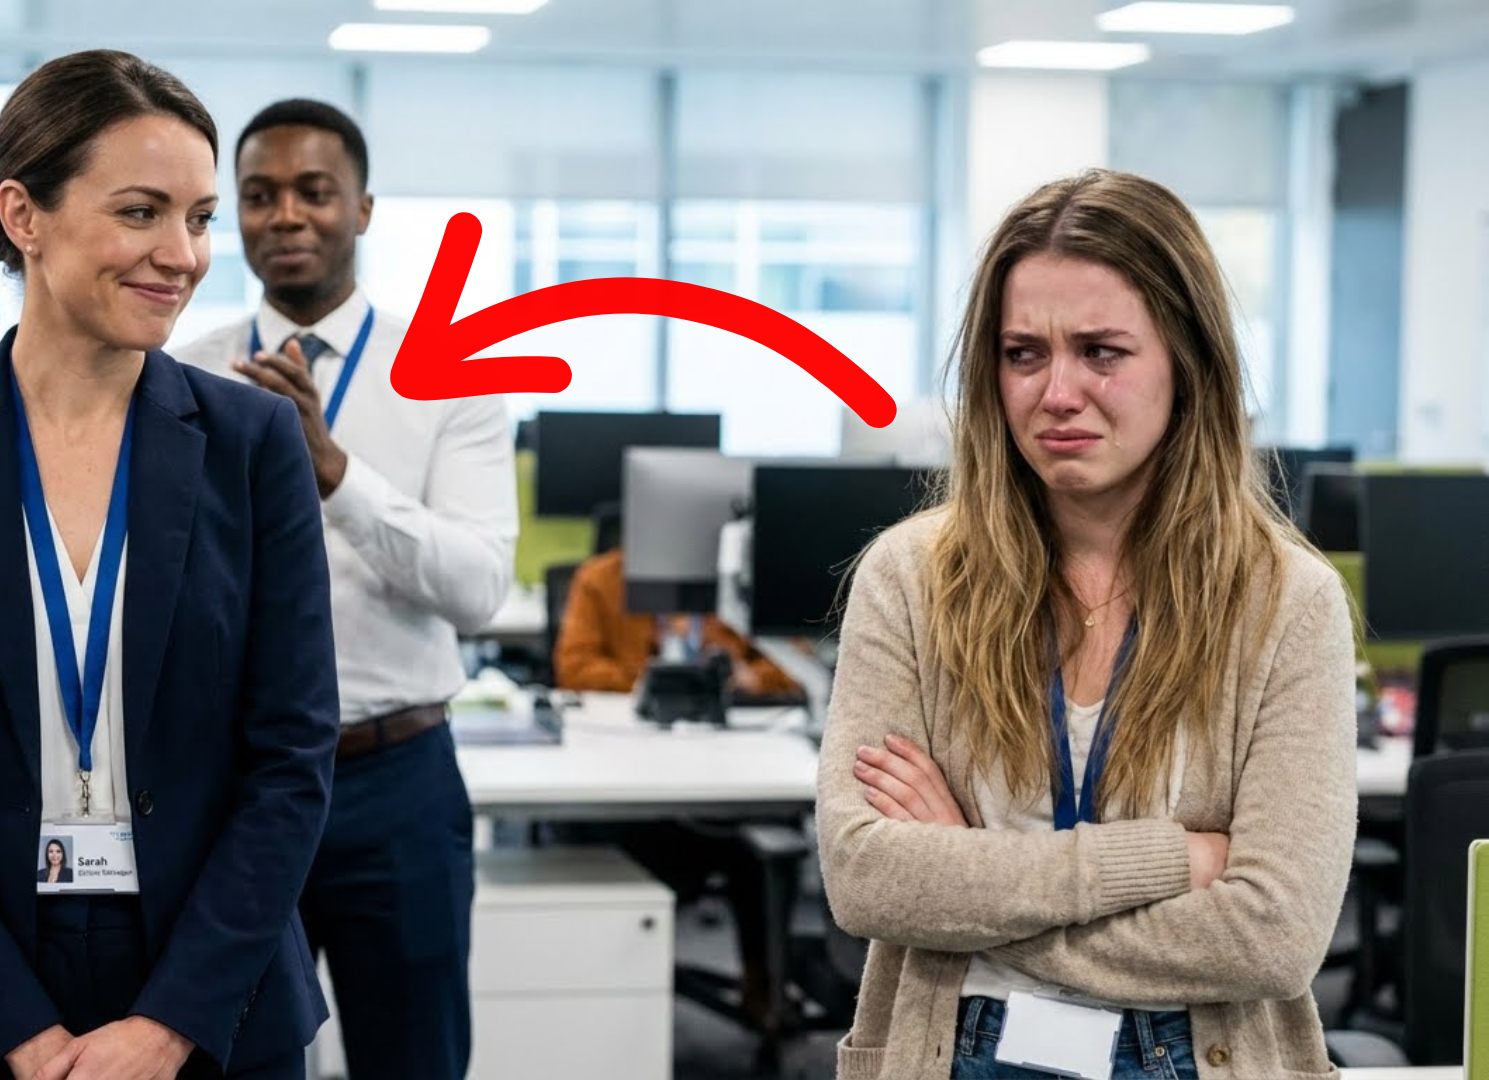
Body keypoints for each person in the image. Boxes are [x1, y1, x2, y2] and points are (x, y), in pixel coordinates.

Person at [0, 50, 338, 1080]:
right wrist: (14, 1030)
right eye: (141, 212)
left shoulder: (253, 445)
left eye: (199, 219)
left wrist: (167, 1027)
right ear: (23, 214)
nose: (183, 255)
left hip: (208, 988)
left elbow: (291, 759)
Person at [816, 170, 1356, 1079]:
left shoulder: (1284, 602)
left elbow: (1272, 936)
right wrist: (1164, 861)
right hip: (952, 1049)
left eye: (1102, 352)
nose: (1057, 392)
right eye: (1023, 353)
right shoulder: (911, 579)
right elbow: (868, 878)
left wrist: (967, 878)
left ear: (1188, 362)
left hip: (1194, 1054)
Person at [176, 98, 517, 1080]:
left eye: (314, 191)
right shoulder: (181, 374)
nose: (285, 215)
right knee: (229, 1057)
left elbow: (480, 587)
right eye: (258, 196)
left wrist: (334, 471)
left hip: (392, 779)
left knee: (413, 1058)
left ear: (362, 208)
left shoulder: (450, 374)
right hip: (233, 783)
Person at [554, 505, 797, 698]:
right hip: (631, 723)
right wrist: (649, 682)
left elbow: (799, 665)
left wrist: (753, 678)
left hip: (735, 720)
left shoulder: (748, 578)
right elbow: (575, 668)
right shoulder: (600, 579)